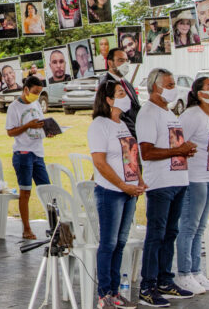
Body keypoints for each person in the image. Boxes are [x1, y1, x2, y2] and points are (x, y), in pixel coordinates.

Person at [136, 68, 198, 306]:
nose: (174, 89)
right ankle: (147, 286)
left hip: (178, 180)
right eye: (169, 85)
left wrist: (184, 151)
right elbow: (147, 152)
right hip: (160, 183)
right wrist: (178, 150)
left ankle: (165, 280)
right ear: (156, 87)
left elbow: (172, 146)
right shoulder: (148, 113)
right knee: (156, 234)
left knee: (171, 233)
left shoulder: (169, 112)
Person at [88, 81, 146, 308]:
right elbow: (100, 163)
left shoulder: (122, 124)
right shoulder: (99, 125)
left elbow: (130, 156)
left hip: (129, 191)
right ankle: (104, 294)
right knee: (109, 243)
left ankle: (115, 291)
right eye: (121, 93)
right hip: (111, 191)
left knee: (120, 242)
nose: (126, 97)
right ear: (109, 99)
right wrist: (123, 185)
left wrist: (138, 179)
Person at [175, 77, 209, 294]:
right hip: (193, 178)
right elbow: (177, 143)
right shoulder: (191, 115)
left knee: (200, 227)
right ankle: (184, 273)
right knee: (189, 226)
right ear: (200, 94)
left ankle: (196, 271)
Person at [5, 75, 51, 240]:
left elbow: (41, 124)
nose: (37, 96)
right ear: (26, 89)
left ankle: (56, 227)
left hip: (38, 153)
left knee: (47, 191)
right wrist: (27, 126)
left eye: (39, 92)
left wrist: (48, 130)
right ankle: (26, 228)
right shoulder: (14, 107)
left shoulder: (36, 104)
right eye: (35, 92)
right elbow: (10, 132)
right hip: (23, 153)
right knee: (25, 192)